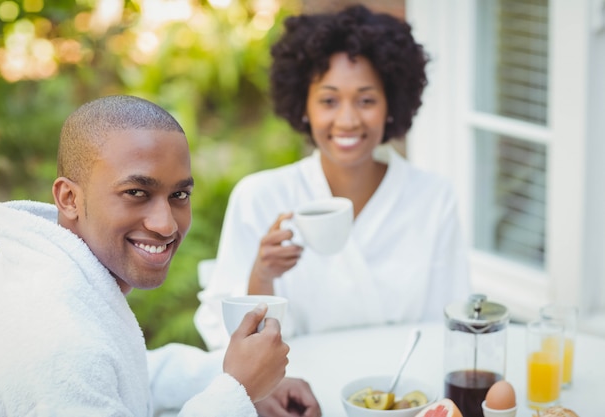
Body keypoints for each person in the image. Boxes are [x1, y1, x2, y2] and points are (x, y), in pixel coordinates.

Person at [0, 95, 321, 417]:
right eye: (136, 192)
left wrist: (236, 379)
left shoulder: (42, 262)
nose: (166, 224)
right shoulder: (59, 341)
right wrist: (238, 390)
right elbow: (87, 364)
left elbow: (127, 374)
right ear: (68, 197)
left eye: (179, 194)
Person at [195, 4, 471, 351]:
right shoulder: (261, 197)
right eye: (328, 100)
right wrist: (262, 274)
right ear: (304, 106)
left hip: (401, 395)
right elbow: (227, 341)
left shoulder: (433, 198)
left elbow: (451, 324)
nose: (347, 120)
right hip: (298, 395)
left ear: (391, 105)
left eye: (366, 100)